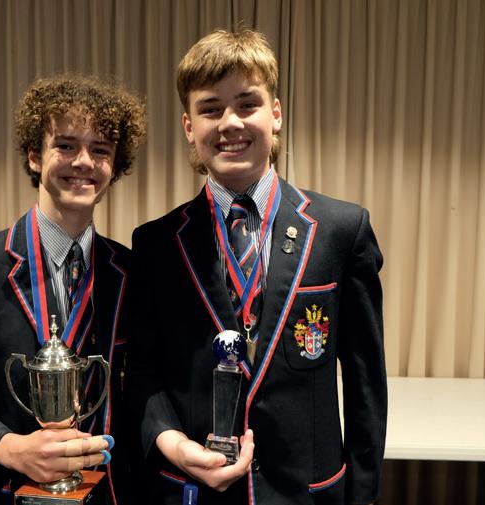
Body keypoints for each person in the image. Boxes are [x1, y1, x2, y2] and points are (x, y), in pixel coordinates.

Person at [128, 28, 387, 505]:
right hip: (196, 489)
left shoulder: (340, 230)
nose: (230, 123)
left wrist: (363, 495)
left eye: (247, 104)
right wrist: (173, 444)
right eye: (210, 109)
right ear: (188, 127)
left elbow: (365, 382)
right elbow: (143, 373)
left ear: (276, 113)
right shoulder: (156, 246)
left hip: (307, 493)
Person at [0, 73, 146, 505]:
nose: (84, 161)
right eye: (66, 145)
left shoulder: (130, 272)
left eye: (100, 150)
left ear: (114, 167)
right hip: (6, 494)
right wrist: (12, 449)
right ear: (35, 156)